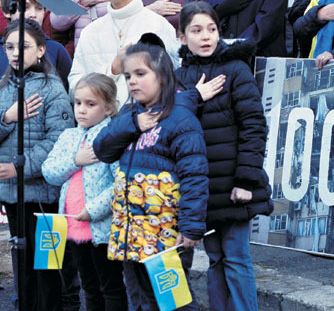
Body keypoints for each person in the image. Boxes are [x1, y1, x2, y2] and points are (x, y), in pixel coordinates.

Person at [93, 35, 209, 309]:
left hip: (164, 233)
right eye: (128, 75)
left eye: (140, 74)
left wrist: (191, 226)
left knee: (173, 301)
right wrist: (133, 124)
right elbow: (102, 148)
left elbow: (195, 176)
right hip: (131, 232)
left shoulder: (181, 120)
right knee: (139, 300)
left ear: (163, 77)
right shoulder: (129, 115)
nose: (132, 81)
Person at [175, 2, 273, 311]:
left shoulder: (236, 69)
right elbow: (172, 126)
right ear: (181, 37)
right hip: (201, 188)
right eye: (196, 30)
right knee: (215, 258)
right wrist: (195, 98)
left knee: (236, 257)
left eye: (212, 29)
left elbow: (254, 126)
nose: (206, 37)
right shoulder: (179, 77)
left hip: (233, 185)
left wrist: (246, 179)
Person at [0, 19, 74, 311]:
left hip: (43, 195)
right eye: (9, 47)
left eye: (24, 46)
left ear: (42, 49)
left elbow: (58, 141)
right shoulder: (3, 87)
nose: (16, 53)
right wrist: (7, 118)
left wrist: (19, 168)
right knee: (22, 267)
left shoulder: (53, 89)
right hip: (12, 194)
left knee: (47, 267)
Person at [42, 73, 127, 311]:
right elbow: (49, 171)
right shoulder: (69, 136)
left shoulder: (112, 137)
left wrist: (94, 210)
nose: (81, 110)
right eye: (78, 103)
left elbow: (120, 182)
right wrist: (75, 160)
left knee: (110, 285)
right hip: (74, 226)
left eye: (91, 104)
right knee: (88, 285)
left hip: (102, 227)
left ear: (108, 107)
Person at [68, 0, 179, 107]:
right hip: (102, 127)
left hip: (149, 124)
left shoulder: (157, 25)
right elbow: (74, 87)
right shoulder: (90, 32)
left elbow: (173, 80)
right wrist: (112, 70)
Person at [1, 0, 72, 90]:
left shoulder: (56, 49)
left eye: (39, 8)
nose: (33, 15)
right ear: (7, 11)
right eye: (25, 7)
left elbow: (68, 91)